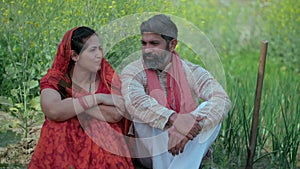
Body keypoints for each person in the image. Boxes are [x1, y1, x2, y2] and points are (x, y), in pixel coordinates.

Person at [121, 14, 232, 169]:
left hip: (184, 146)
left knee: (212, 111)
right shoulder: (133, 70)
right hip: (149, 151)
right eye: (144, 43)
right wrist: (174, 119)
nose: (147, 50)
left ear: (172, 45)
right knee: (147, 112)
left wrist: (188, 126)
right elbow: (135, 100)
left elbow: (222, 99)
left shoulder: (191, 71)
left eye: (154, 43)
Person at [29, 26, 134, 169]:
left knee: (100, 130)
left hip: (102, 149)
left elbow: (116, 114)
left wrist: (70, 104)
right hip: (66, 144)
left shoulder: (106, 78)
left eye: (99, 48)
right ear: (74, 56)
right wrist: (98, 99)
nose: (99, 55)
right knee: (57, 126)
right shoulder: (57, 80)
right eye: (92, 50)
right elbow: (53, 111)